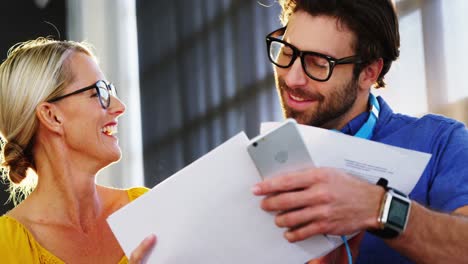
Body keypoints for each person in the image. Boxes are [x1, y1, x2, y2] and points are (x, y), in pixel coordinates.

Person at [251, 0, 468, 263]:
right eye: (287, 52)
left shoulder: (439, 142)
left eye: (318, 63)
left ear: (368, 73)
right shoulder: (250, 169)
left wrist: (378, 208)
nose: (292, 78)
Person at [0, 38, 155, 263]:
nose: (119, 107)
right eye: (99, 92)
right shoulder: (7, 247)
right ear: (52, 116)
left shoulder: (144, 208)